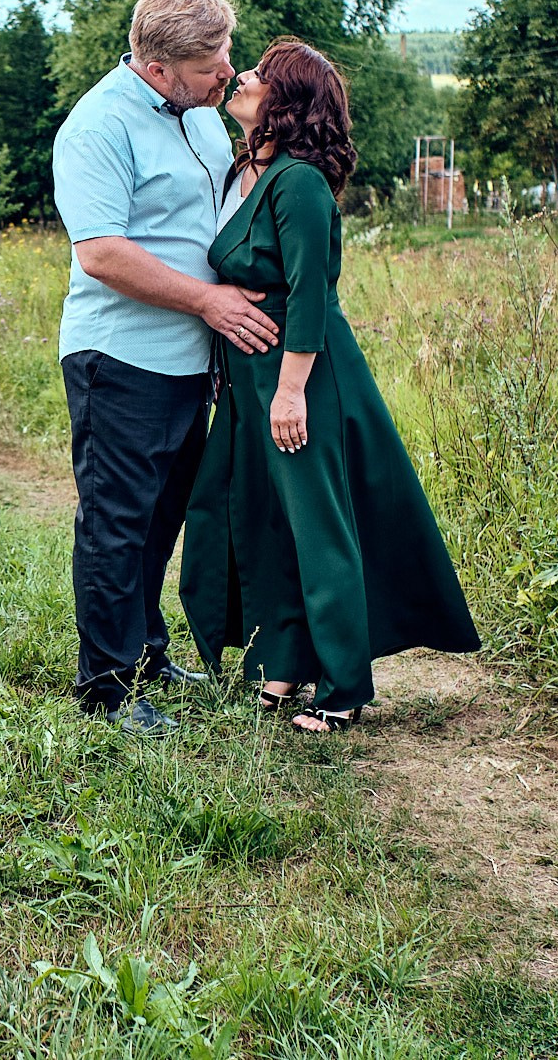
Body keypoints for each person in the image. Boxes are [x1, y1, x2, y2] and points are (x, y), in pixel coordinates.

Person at [179, 38, 480, 733]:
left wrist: (290, 392)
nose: (241, 75)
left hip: (302, 375)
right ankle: (278, 667)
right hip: (249, 380)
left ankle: (343, 686)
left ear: (284, 103)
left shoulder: (301, 182)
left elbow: (313, 292)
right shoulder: (244, 172)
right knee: (258, 519)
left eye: (258, 74)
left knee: (318, 529)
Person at [51, 0, 282, 737]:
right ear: (159, 67)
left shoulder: (203, 117)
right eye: (213, 61)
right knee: (117, 523)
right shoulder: (98, 127)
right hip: (119, 359)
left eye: (226, 54)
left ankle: (146, 653)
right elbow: (104, 254)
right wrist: (209, 303)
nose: (229, 71)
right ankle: (107, 689)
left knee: (160, 520)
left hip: (190, 362)